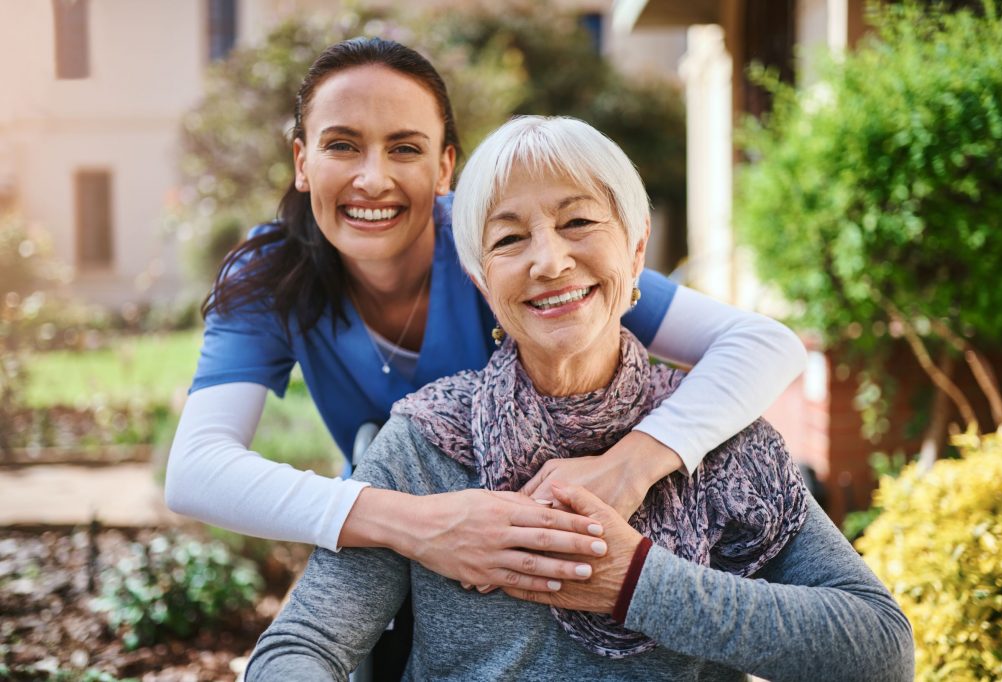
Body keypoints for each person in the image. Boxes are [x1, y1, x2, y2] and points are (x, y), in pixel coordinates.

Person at [244, 116, 914, 681]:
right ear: (483, 284)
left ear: (636, 251)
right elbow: (301, 647)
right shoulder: (426, 443)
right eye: (509, 239)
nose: (550, 261)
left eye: (579, 222)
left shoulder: (724, 440)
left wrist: (634, 581)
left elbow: (881, 649)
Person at [165, 37, 807, 596]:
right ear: (302, 162)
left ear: (446, 167)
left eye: (405, 149)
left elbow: (763, 344)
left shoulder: (504, 253)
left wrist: (634, 463)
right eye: (342, 145)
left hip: (557, 539)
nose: (372, 178)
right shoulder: (269, 275)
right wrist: (423, 525)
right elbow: (196, 469)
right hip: (390, 550)